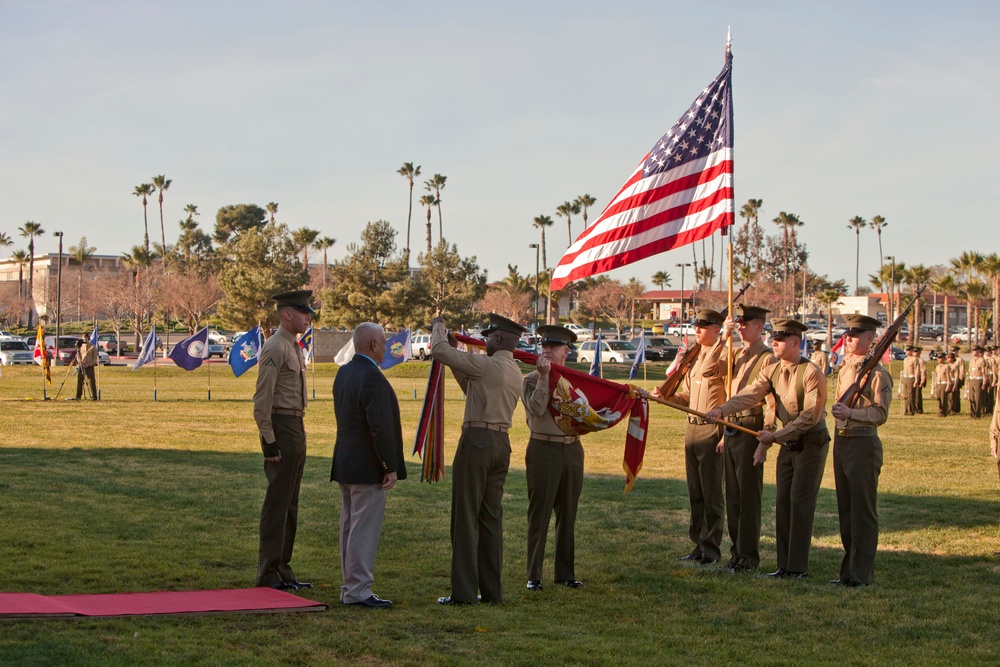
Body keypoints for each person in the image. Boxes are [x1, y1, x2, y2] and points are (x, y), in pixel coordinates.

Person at [706, 319, 829, 580]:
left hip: (810, 441)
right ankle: (784, 565)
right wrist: (722, 410)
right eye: (774, 338)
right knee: (783, 502)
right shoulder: (773, 368)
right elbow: (750, 394)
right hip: (787, 440)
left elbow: (810, 416)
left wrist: (774, 436)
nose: (775, 342)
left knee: (800, 502)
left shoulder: (810, 372)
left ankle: (797, 567)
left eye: (781, 339)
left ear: (796, 343)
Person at [432, 313, 526, 605]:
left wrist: (437, 326)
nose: (484, 342)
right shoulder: (513, 371)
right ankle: (491, 591)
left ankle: (463, 593)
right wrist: (459, 356)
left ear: (497, 339)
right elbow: (472, 387)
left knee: (465, 516)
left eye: (488, 337)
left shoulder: (487, 365)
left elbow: (437, 351)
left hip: (476, 441)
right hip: (501, 443)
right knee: (490, 518)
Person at [331, 322, 407, 609]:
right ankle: (358, 590)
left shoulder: (344, 372)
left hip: (346, 460)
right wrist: (389, 465)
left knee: (350, 527)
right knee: (362, 529)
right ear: (374, 344)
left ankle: (351, 586)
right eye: (384, 342)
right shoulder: (372, 377)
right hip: (366, 464)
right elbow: (380, 428)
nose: (386, 347)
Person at [656, 307, 729, 566]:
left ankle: (711, 549)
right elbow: (687, 397)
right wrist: (666, 397)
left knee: (711, 493)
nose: (696, 330)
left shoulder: (724, 357)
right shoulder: (696, 358)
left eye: (703, 326)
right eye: (696, 326)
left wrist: (726, 434)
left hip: (712, 430)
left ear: (716, 329)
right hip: (692, 428)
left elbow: (731, 398)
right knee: (695, 492)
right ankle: (698, 545)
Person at [253, 290, 314, 591]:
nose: (308, 317)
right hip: (281, 424)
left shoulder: (294, 346)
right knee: (277, 503)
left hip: (295, 424)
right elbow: (263, 396)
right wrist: (268, 440)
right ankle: (267, 573)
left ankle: (282, 568)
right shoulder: (275, 346)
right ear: (287, 313)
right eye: (303, 312)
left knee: (290, 503)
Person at [829, 314, 892, 587]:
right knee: (846, 510)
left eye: (855, 335)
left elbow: (880, 413)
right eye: (848, 334)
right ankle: (848, 572)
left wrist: (851, 412)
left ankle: (861, 574)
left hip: (863, 443)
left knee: (863, 511)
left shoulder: (877, 374)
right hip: (842, 441)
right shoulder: (845, 370)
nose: (850, 339)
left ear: (869, 339)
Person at [523, 325, 585, 592]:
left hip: (571, 449)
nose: (547, 351)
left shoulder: (575, 381)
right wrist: (544, 377)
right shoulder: (530, 379)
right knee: (540, 513)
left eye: (553, 348)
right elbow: (536, 409)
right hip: (543, 449)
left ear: (566, 352)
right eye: (544, 347)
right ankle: (534, 574)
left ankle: (565, 573)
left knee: (568, 514)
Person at [719, 305, 774, 573]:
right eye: (739, 324)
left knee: (748, 496)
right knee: (733, 497)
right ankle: (736, 553)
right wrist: (723, 338)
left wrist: (764, 443)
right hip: (731, 427)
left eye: (746, 324)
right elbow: (712, 372)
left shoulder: (767, 359)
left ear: (760, 327)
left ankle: (748, 557)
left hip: (751, 425)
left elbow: (771, 404)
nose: (741, 328)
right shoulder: (736, 353)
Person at [934, 353, 956, 417]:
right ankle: (940, 411)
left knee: (943, 399)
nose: (940, 360)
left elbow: (948, 376)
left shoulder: (946, 366)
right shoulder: (937, 367)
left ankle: (943, 412)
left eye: (941, 358)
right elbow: (936, 376)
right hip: (938, 383)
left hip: (944, 383)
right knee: (939, 399)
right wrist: (935, 385)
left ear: (944, 359)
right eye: (938, 358)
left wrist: (948, 385)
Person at [967, 346, 986, 419]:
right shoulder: (971, 361)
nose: (974, 352)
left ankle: (977, 414)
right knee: (972, 398)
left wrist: (984, 382)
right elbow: (969, 372)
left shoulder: (981, 360)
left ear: (978, 351)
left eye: (975, 350)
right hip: (972, 380)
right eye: (973, 350)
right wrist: (968, 382)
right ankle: (972, 413)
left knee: (977, 398)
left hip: (978, 380)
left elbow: (984, 372)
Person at [901, 346, 919, 416]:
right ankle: (905, 410)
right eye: (906, 350)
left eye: (909, 350)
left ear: (912, 351)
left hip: (911, 377)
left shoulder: (914, 359)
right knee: (905, 395)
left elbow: (916, 370)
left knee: (911, 395)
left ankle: (911, 410)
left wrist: (916, 380)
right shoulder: (905, 359)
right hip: (905, 377)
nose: (907, 352)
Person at [950, 347, 965, 415]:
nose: (953, 352)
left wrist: (961, 379)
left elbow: (962, 371)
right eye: (952, 351)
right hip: (950, 379)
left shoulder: (960, 360)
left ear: (957, 351)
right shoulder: (949, 358)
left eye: (955, 351)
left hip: (957, 378)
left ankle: (956, 408)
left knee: (956, 395)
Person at [914, 346, 927, 414]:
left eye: (916, 351)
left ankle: (918, 409)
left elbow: (923, 371)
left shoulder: (921, 361)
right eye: (914, 351)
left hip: (918, 378)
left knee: (917, 395)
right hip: (912, 378)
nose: (915, 353)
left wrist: (922, 380)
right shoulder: (912, 359)